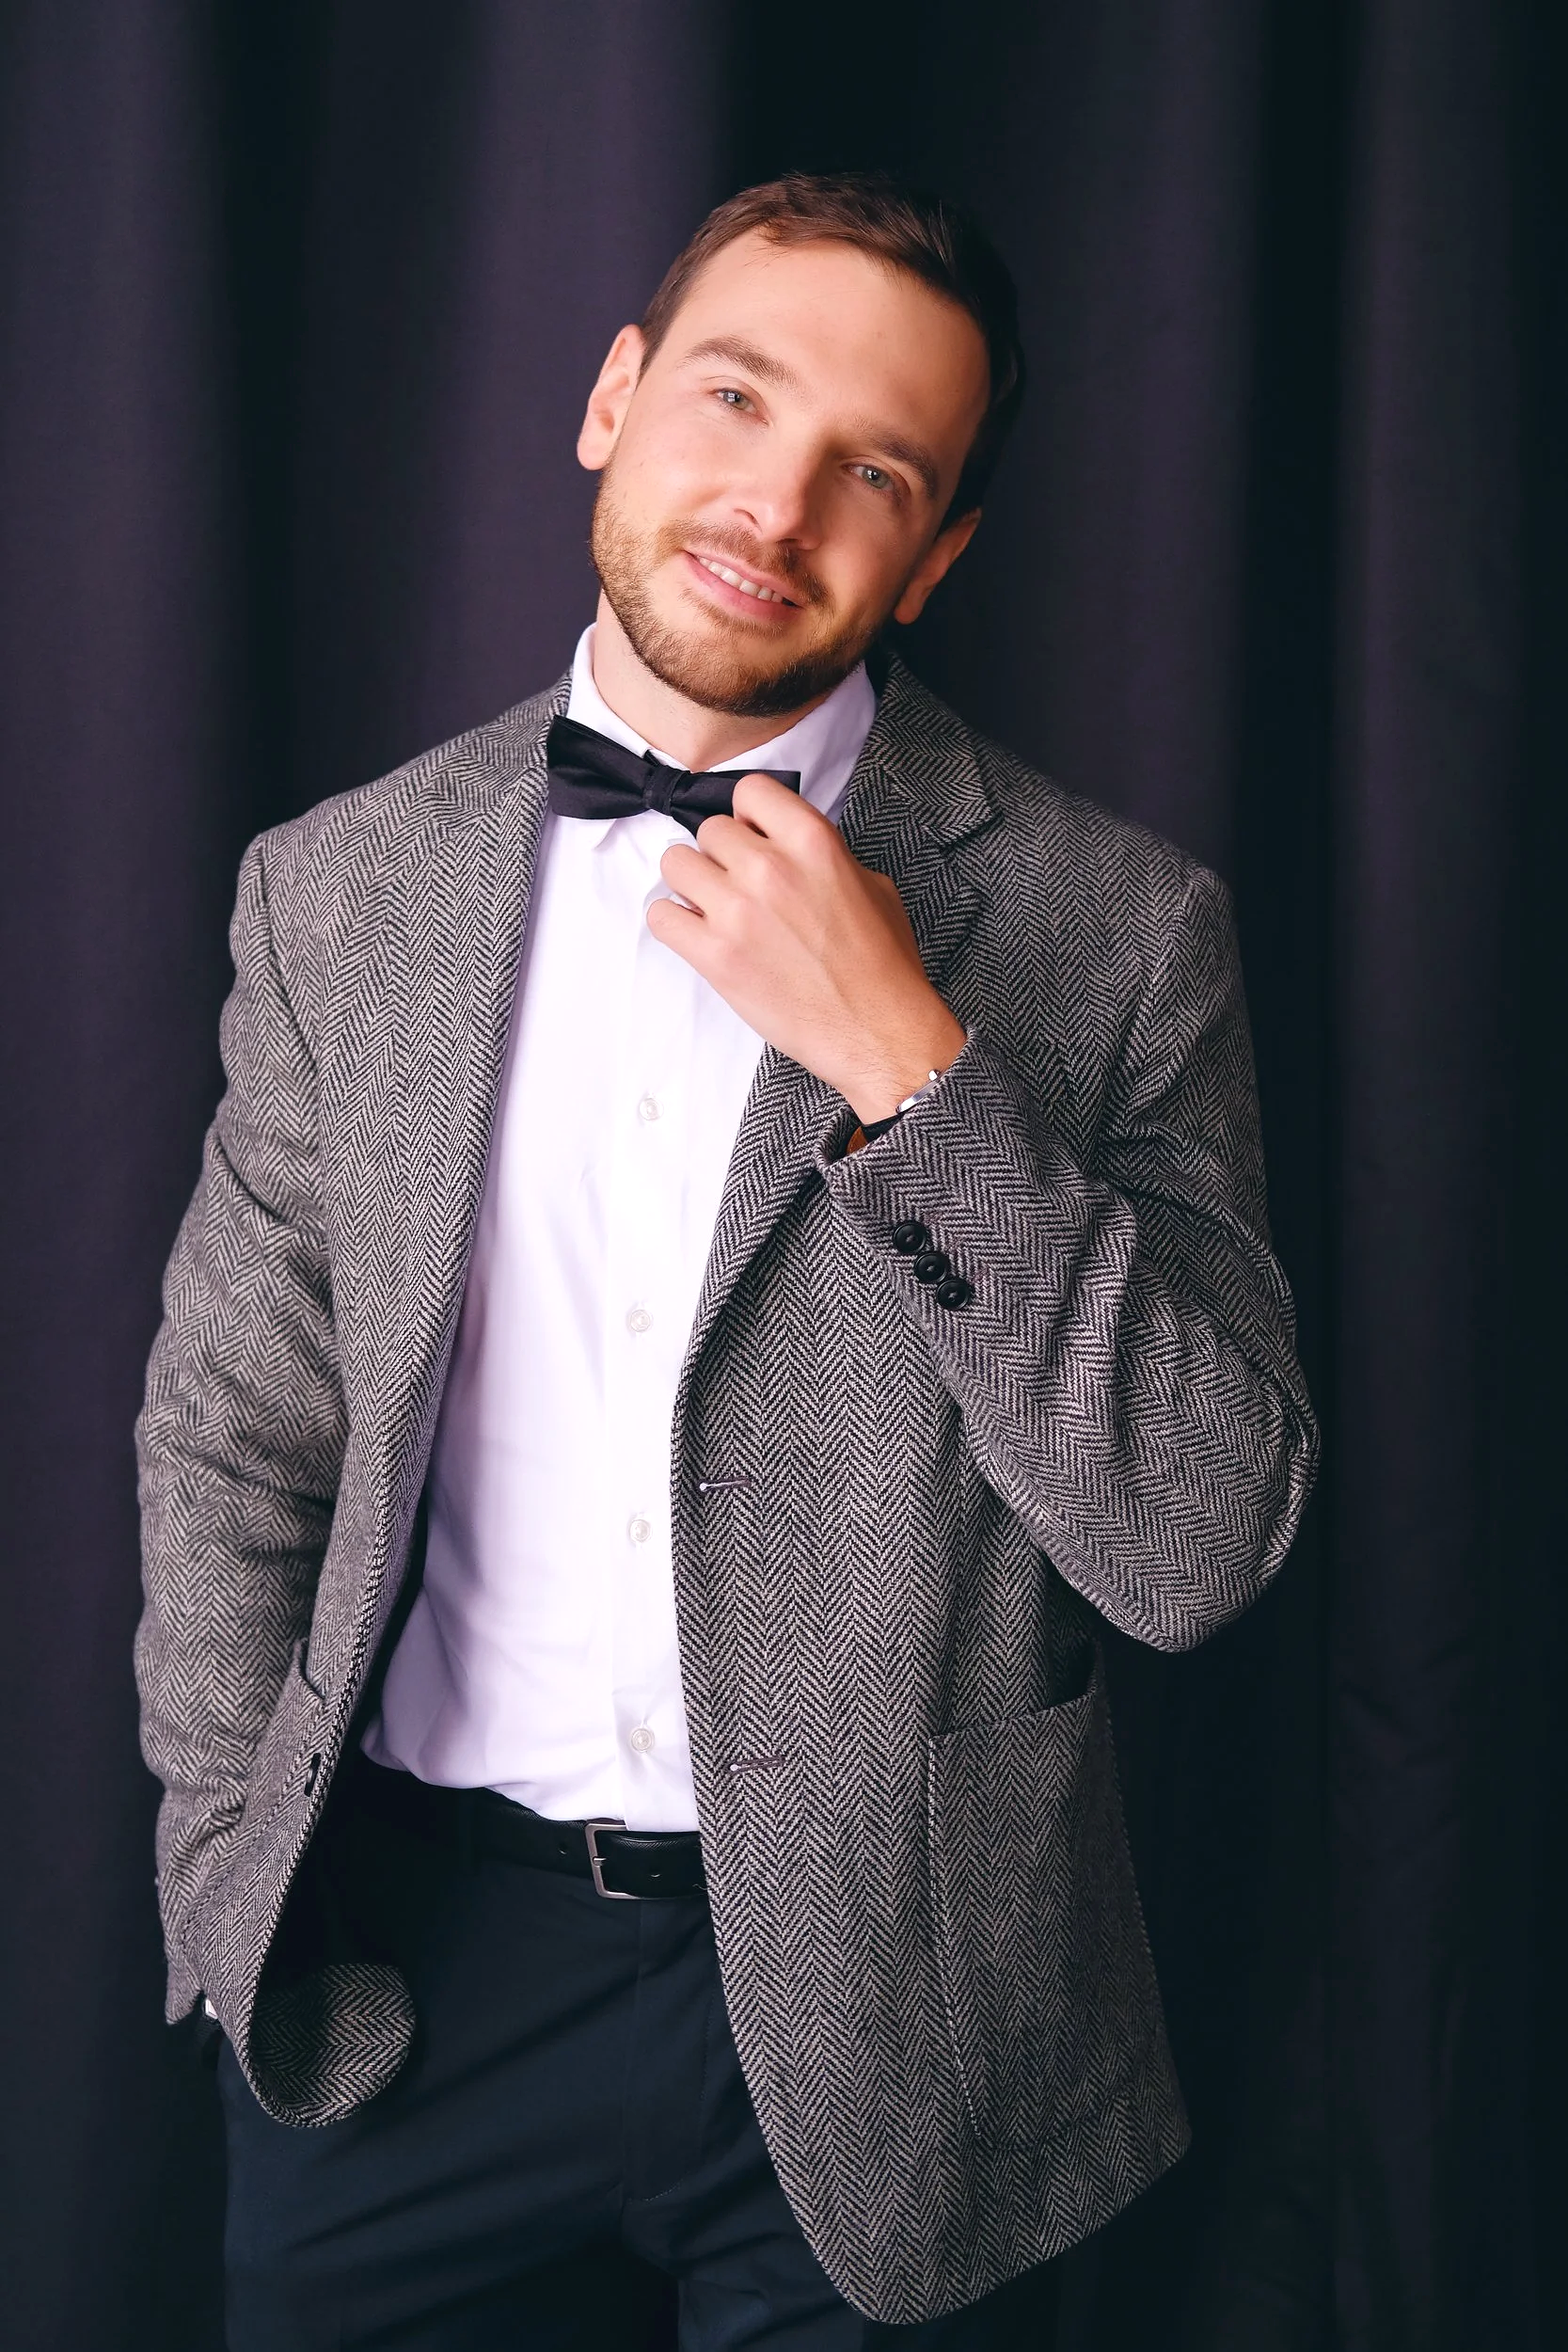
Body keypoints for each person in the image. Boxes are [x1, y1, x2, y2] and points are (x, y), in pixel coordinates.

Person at [135, 169, 1321, 2351]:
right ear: (611, 399)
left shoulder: (1118, 930)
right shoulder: (336, 889)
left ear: (937, 551)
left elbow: (1195, 1537)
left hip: (905, 2030)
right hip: (407, 1987)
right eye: (729, 394)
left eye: (870, 469)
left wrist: (914, 1072)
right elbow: (231, 1428)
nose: (770, 503)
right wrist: (229, 1867)